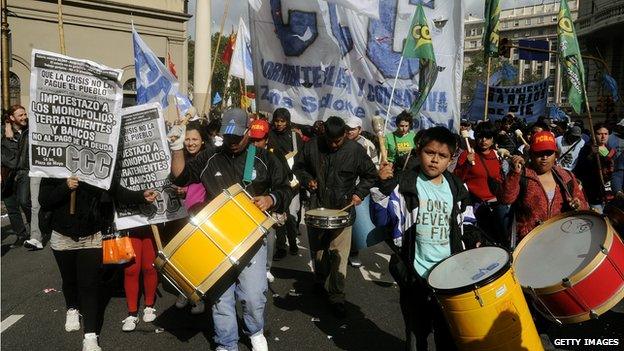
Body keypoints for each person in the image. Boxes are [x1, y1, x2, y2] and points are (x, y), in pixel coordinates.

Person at [169, 108, 291, 351]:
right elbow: (181, 177)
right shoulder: (209, 157)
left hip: (252, 237)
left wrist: (271, 199)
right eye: (228, 137)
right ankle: (226, 342)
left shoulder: (265, 158)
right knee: (221, 298)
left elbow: (286, 188)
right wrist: (176, 147)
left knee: (253, 296)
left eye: (238, 137)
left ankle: (254, 330)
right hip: (217, 239)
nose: (233, 142)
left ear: (248, 132)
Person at [371, 126, 481, 351]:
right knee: (416, 334)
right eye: (430, 153)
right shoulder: (403, 183)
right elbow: (381, 220)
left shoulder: (457, 187)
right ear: (419, 151)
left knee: (447, 333)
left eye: (442, 156)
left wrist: (473, 239)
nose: (434, 160)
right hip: (415, 274)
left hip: (448, 276)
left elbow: (467, 222)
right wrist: (382, 185)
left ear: (451, 159)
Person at [39, 176, 157, 351]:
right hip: (62, 235)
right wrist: (65, 187)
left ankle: (90, 336)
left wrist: (141, 196)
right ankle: (72, 307)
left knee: (89, 285)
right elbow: (45, 200)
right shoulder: (54, 170)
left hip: (92, 235)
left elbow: (116, 190)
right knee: (70, 280)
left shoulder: (96, 164)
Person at [292, 116, 377, 318]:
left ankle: (337, 296)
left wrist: (359, 193)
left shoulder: (355, 151)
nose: (333, 144)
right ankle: (320, 280)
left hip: (343, 210)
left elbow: (370, 175)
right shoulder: (312, 146)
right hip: (317, 208)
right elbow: (298, 167)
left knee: (339, 254)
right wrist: (307, 180)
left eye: (337, 141)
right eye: (329, 140)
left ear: (345, 136)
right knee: (319, 251)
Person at [500, 131, 588, 246]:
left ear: (556, 155)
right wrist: (514, 173)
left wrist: (578, 205)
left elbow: (584, 207)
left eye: (549, 153)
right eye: (539, 153)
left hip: (562, 240)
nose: (544, 158)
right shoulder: (522, 175)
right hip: (529, 242)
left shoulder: (567, 177)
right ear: (531, 154)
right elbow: (506, 199)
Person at [170, 121, 209, 314]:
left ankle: (198, 296)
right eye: (187, 139)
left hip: (201, 214)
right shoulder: (179, 157)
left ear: (203, 141)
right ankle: (184, 291)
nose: (190, 143)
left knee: (199, 257)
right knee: (181, 256)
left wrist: (186, 189)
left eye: (195, 139)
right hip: (179, 214)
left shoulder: (209, 158)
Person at [453, 121, 508, 247]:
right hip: (474, 204)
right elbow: (456, 179)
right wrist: (466, 164)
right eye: (480, 137)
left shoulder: (497, 155)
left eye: (488, 137)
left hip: (496, 203)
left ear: (493, 139)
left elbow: (500, 179)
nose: (484, 140)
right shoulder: (467, 154)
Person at [267, 108, 302, 260]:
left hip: (293, 183)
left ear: (287, 121)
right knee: (279, 216)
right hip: (277, 183)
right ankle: (281, 247)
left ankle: (293, 242)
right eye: (277, 121)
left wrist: (299, 178)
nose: (279, 124)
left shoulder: (295, 137)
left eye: (282, 121)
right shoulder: (269, 136)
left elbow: (302, 160)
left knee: (292, 216)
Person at [345, 116, 379, 267]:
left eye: (352, 129)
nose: (349, 131)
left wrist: (364, 188)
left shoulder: (367, 145)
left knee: (357, 224)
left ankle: (354, 252)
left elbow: (374, 168)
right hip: (342, 189)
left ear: (360, 130)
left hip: (359, 190)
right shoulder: (341, 142)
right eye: (347, 128)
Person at [1, 105, 33, 248]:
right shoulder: (3, 132)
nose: (24, 117)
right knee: (11, 206)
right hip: (7, 173)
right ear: (12, 118)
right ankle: (21, 234)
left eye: (25, 114)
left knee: (24, 201)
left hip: (24, 171)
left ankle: (36, 228)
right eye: (20, 115)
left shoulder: (30, 130)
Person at [574, 123, 616, 213]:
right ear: (593, 135)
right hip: (593, 192)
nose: (603, 136)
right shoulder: (587, 149)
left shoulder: (611, 150)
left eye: (605, 134)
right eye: (599, 134)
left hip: (609, 191)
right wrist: (591, 156)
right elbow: (580, 169)